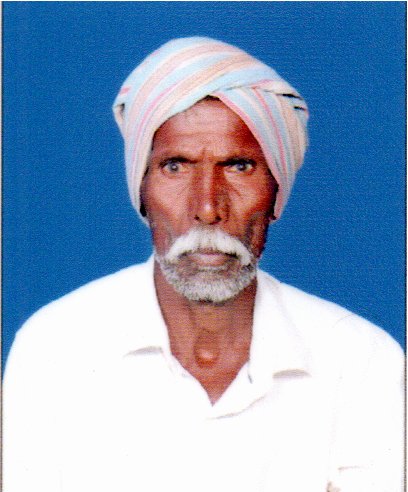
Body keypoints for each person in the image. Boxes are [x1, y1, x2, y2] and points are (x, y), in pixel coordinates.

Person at [3, 37, 403, 492]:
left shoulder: (359, 361)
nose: (208, 208)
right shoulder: (56, 348)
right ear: (141, 191)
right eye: (176, 167)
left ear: (276, 193)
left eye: (239, 167)